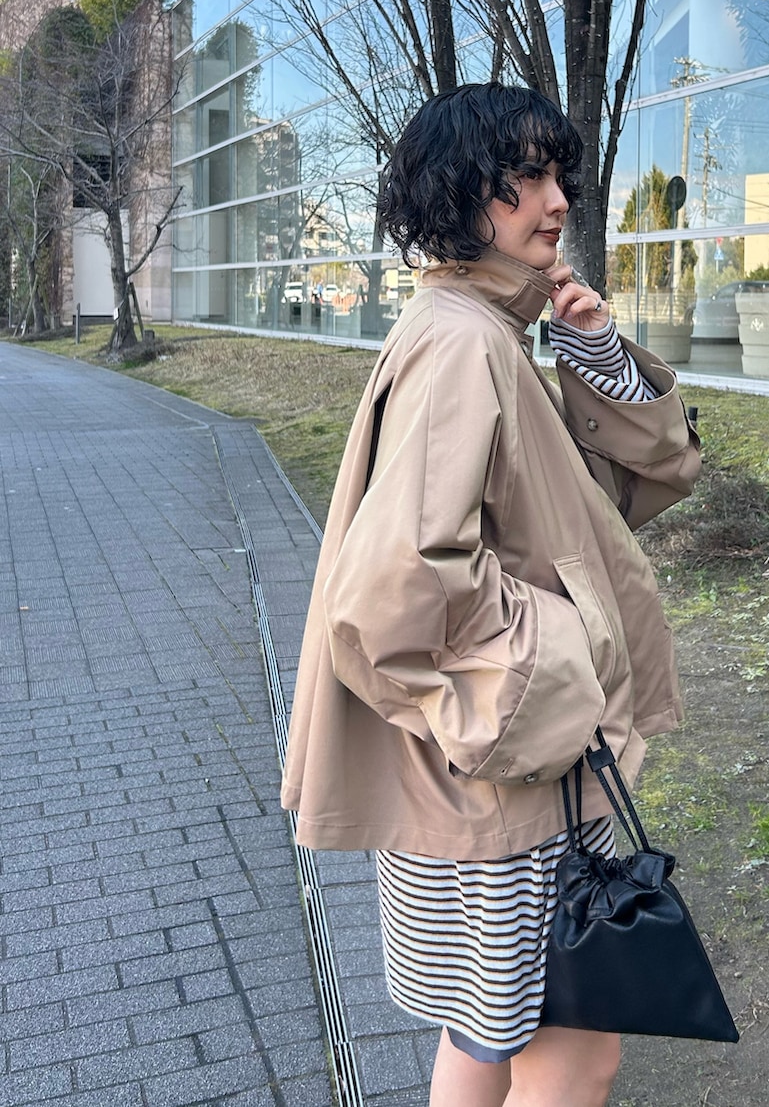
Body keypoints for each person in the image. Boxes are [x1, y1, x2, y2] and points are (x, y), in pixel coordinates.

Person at [281, 83, 701, 1106]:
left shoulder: (479, 329)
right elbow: (397, 592)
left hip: (494, 773)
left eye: (559, 176)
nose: (556, 200)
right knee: (578, 1054)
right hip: (513, 778)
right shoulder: (463, 343)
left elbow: (588, 513)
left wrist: (592, 351)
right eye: (526, 177)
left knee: (484, 1034)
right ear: (460, 192)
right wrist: (554, 668)